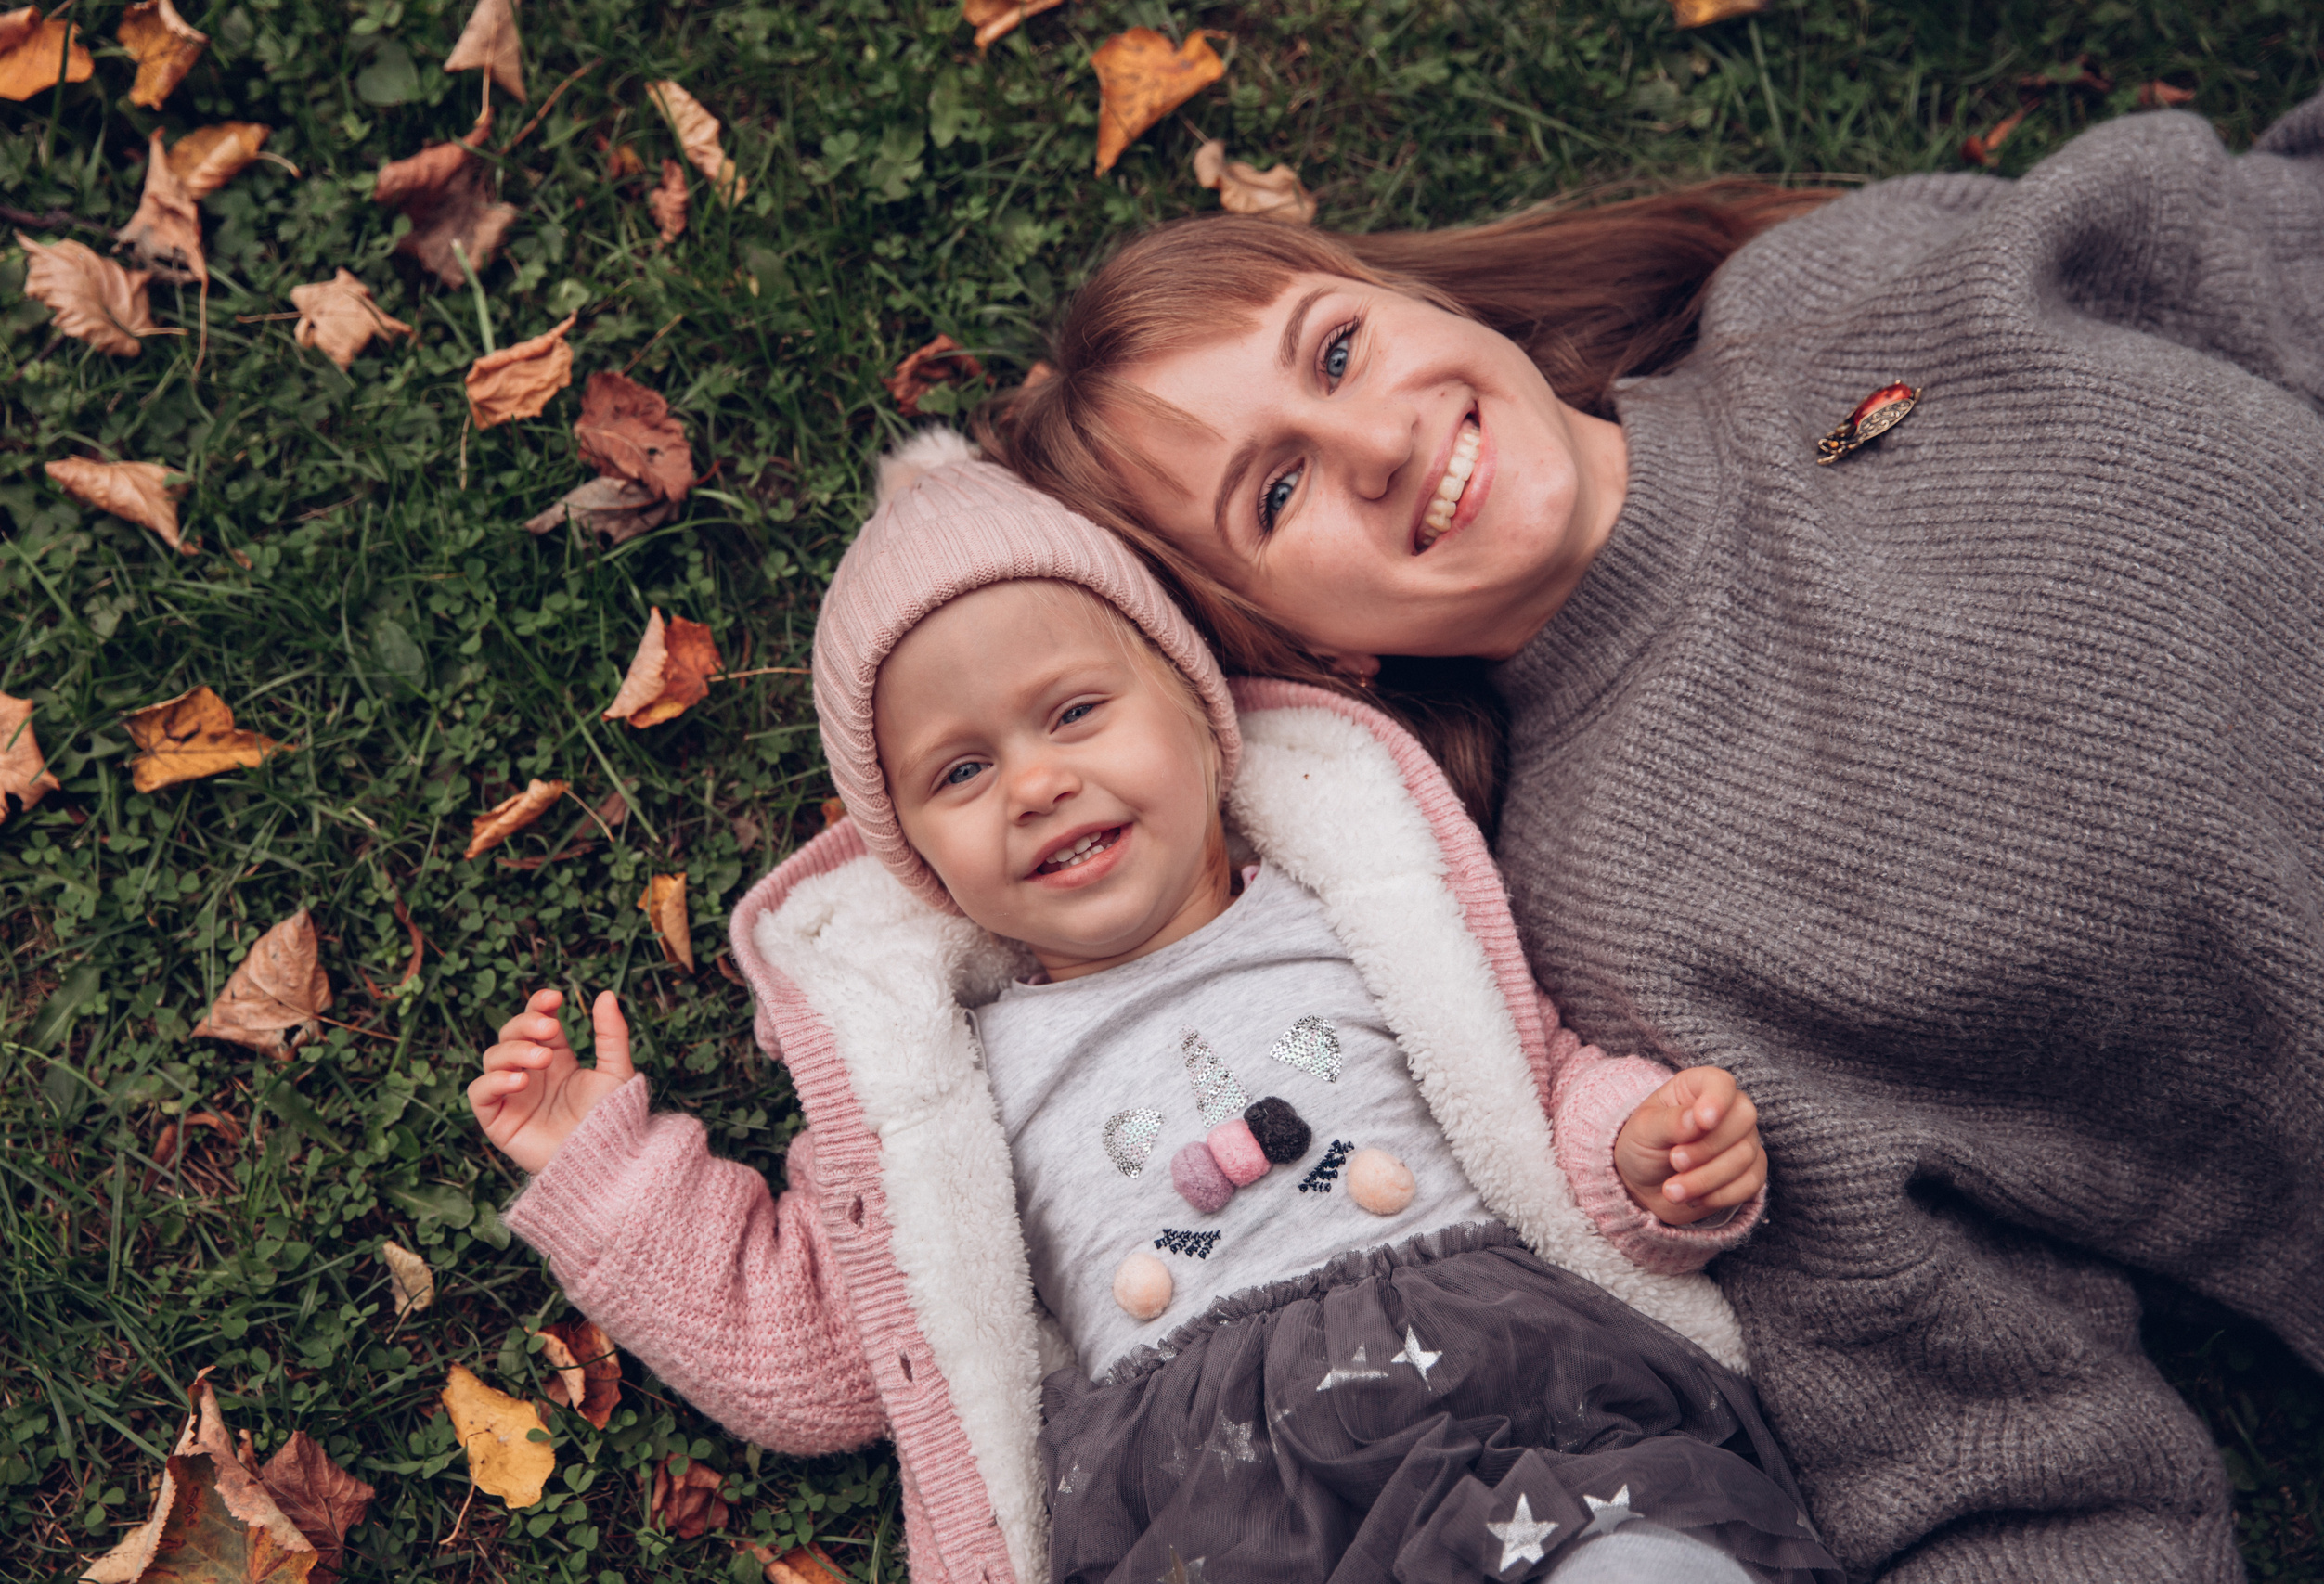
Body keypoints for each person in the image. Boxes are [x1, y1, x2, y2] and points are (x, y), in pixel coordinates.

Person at [974, 92, 2324, 1584]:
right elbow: (1978, 1439)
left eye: (1338, 350)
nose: (1377, 442)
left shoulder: (1842, 287)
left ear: (1415, 298)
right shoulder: (1616, 917)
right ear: (1303, 650)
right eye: (1277, 493)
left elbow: (2268, 248)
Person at [471, 444, 1844, 1583]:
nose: (1036, 784)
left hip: (1499, 1402)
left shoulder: (1362, 912)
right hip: (1209, 1501)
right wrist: (615, 1178)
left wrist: (1639, 1151)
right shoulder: (945, 1095)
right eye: (961, 772)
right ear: (918, 862)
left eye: (1075, 711)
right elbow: (819, 1356)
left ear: (1198, 713)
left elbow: (1529, 1087)